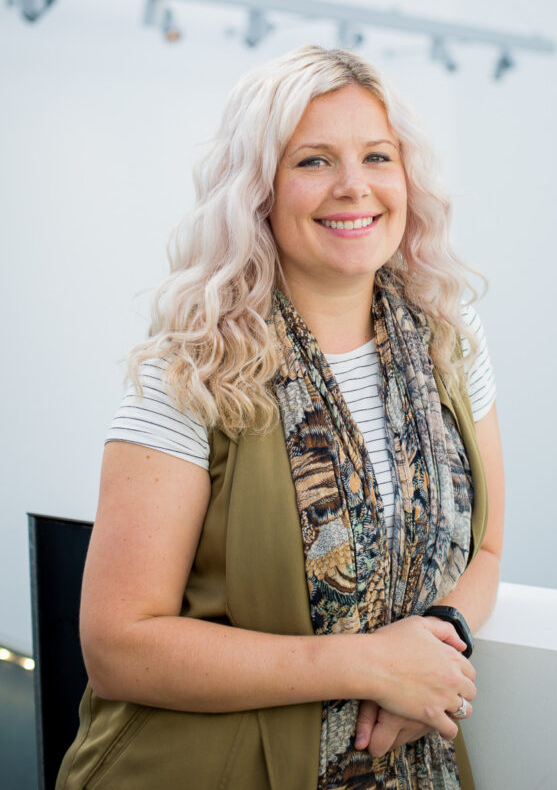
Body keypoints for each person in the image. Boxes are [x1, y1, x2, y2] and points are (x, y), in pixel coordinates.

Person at [57, 45, 504, 790]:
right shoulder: (195, 367)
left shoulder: (449, 337)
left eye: (376, 156)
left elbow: (483, 551)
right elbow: (118, 646)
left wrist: (438, 646)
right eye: (312, 162)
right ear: (256, 190)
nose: (354, 187)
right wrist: (370, 665)